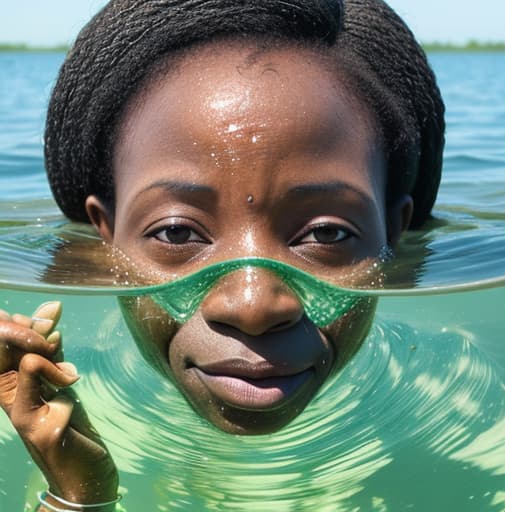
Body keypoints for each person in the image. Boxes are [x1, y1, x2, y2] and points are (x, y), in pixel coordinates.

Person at [0, 0, 445, 510]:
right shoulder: (28, 409)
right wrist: (79, 493)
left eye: (326, 233)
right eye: (174, 233)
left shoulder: (468, 405)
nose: (253, 306)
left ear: (392, 232)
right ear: (106, 237)